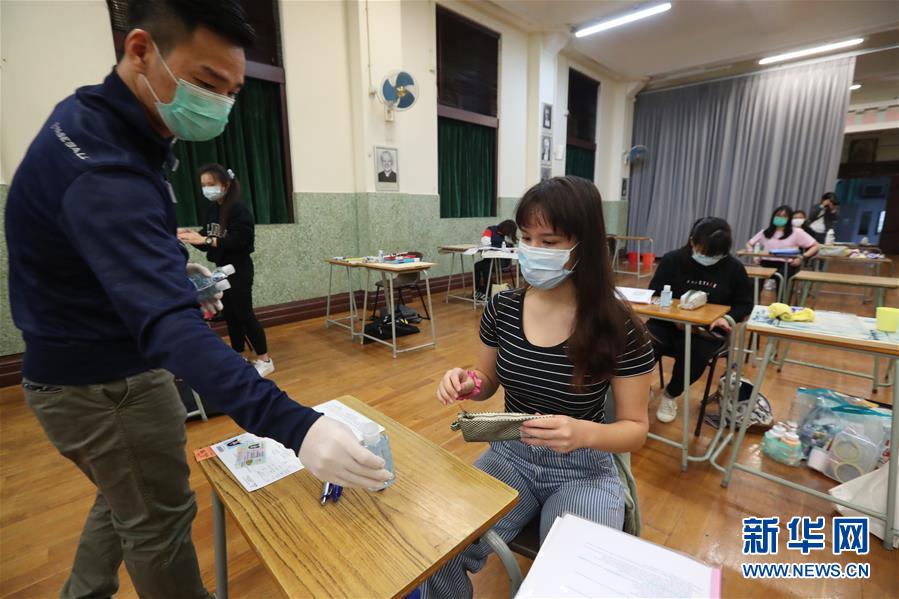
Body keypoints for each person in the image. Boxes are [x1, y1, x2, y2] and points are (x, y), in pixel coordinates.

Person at [4, 2, 391, 598]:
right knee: (156, 518)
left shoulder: (94, 120)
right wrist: (297, 426)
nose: (219, 105)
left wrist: (171, 269)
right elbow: (168, 326)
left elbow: (102, 254)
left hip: (93, 361)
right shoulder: (105, 169)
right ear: (140, 50)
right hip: (101, 381)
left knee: (126, 493)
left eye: (232, 92)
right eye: (207, 83)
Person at [421, 176, 654, 598]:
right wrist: (467, 382)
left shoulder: (618, 326)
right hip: (511, 453)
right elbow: (487, 379)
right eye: (526, 238)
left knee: (574, 583)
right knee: (436, 548)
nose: (533, 250)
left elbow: (635, 428)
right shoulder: (503, 307)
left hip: (584, 469)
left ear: (583, 246)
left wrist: (582, 432)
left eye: (549, 242)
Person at [648, 218, 753, 423]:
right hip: (667, 323)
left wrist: (727, 318)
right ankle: (642, 388)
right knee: (642, 343)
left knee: (695, 354)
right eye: (704, 251)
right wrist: (673, 315)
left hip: (706, 330)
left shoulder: (734, 269)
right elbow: (654, 293)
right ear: (692, 241)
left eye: (716, 254)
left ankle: (671, 394)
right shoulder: (672, 260)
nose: (708, 257)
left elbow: (744, 304)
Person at [177, 164, 273, 377]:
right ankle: (238, 355)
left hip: (239, 268)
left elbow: (241, 241)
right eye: (203, 185)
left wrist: (206, 240)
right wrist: (189, 235)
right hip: (221, 268)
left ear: (226, 185)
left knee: (244, 314)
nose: (207, 189)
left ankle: (265, 360)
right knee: (230, 314)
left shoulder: (238, 210)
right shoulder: (212, 210)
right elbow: (206, 240)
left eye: (211, 184)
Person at [746, 205, 819, 292]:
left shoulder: (797, 232)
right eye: (778, 215)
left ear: (789, 219)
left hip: (786, 264)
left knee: (783, 283)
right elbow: (749, 244)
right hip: (765, 262)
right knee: (753, 282)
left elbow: (816, 246)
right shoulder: (765, 232)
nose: (780, 218)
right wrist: (754, 255)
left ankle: (782, 300)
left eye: (784, 216)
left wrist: (802, 257)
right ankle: (753, 300)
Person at [474, 219, 517, 300]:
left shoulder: (503, 236)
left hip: (500, 260)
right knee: (477, 266)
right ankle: (478, 290)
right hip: (490, 259)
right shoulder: (490, 230)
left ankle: (488, 292)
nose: (507, 234)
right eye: (507, 232)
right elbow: (485, 242)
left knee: (486, 267)